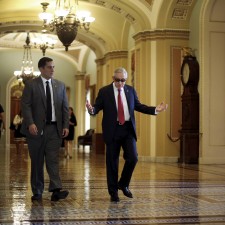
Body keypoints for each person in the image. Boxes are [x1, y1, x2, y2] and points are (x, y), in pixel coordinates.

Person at [86, 67, 168, 202]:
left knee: (133, 157)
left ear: (126, 79)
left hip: (128, 129)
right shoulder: (104, 91)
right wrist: (91, 109)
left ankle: (123, 183)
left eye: (123, 80)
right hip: (112, 130)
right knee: (112, 163)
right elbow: (96, 108)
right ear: (113, 79)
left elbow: (139, 106)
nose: (120, 83)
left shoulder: (130, 90)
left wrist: (155, 109)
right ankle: (113, 193)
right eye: (117, 80)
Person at [21, 57, 70, 202]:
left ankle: (56, 190)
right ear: (41, 69)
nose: (52, 70)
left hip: (54, 129)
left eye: (53, 67)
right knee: (37, 161)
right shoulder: (31, 85)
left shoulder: (60, 86)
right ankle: (37, 191)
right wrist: (30, 123)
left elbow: (65, 108)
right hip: (35, 130)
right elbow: (26, 106)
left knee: (52, 160)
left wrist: (66, 125)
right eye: (49, 67)